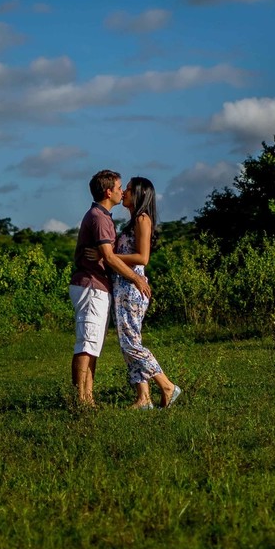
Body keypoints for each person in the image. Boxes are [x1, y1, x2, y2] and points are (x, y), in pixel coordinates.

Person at [93, 176, 181, 410]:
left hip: (132, 287)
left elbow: (143, 257)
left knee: (131, 344)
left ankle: (167, 386)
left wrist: (108, 257)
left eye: (129, 189)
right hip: (122, 286)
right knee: (129, 343)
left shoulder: (143, 219)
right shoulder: (133, 221)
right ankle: (143, 398)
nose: (124, 192)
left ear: (140, 194)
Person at [69, 170, 151, 407]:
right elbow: (109, 256)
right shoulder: (100, 218)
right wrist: (136, 279)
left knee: (92, 345)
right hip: (91, 285)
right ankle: (81, 400)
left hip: (96, 285)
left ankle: (88, 398)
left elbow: (105, 255)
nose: (122, 191)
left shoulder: (101, 217)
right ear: (108, 192)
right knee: (87, 344)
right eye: (119, 187)